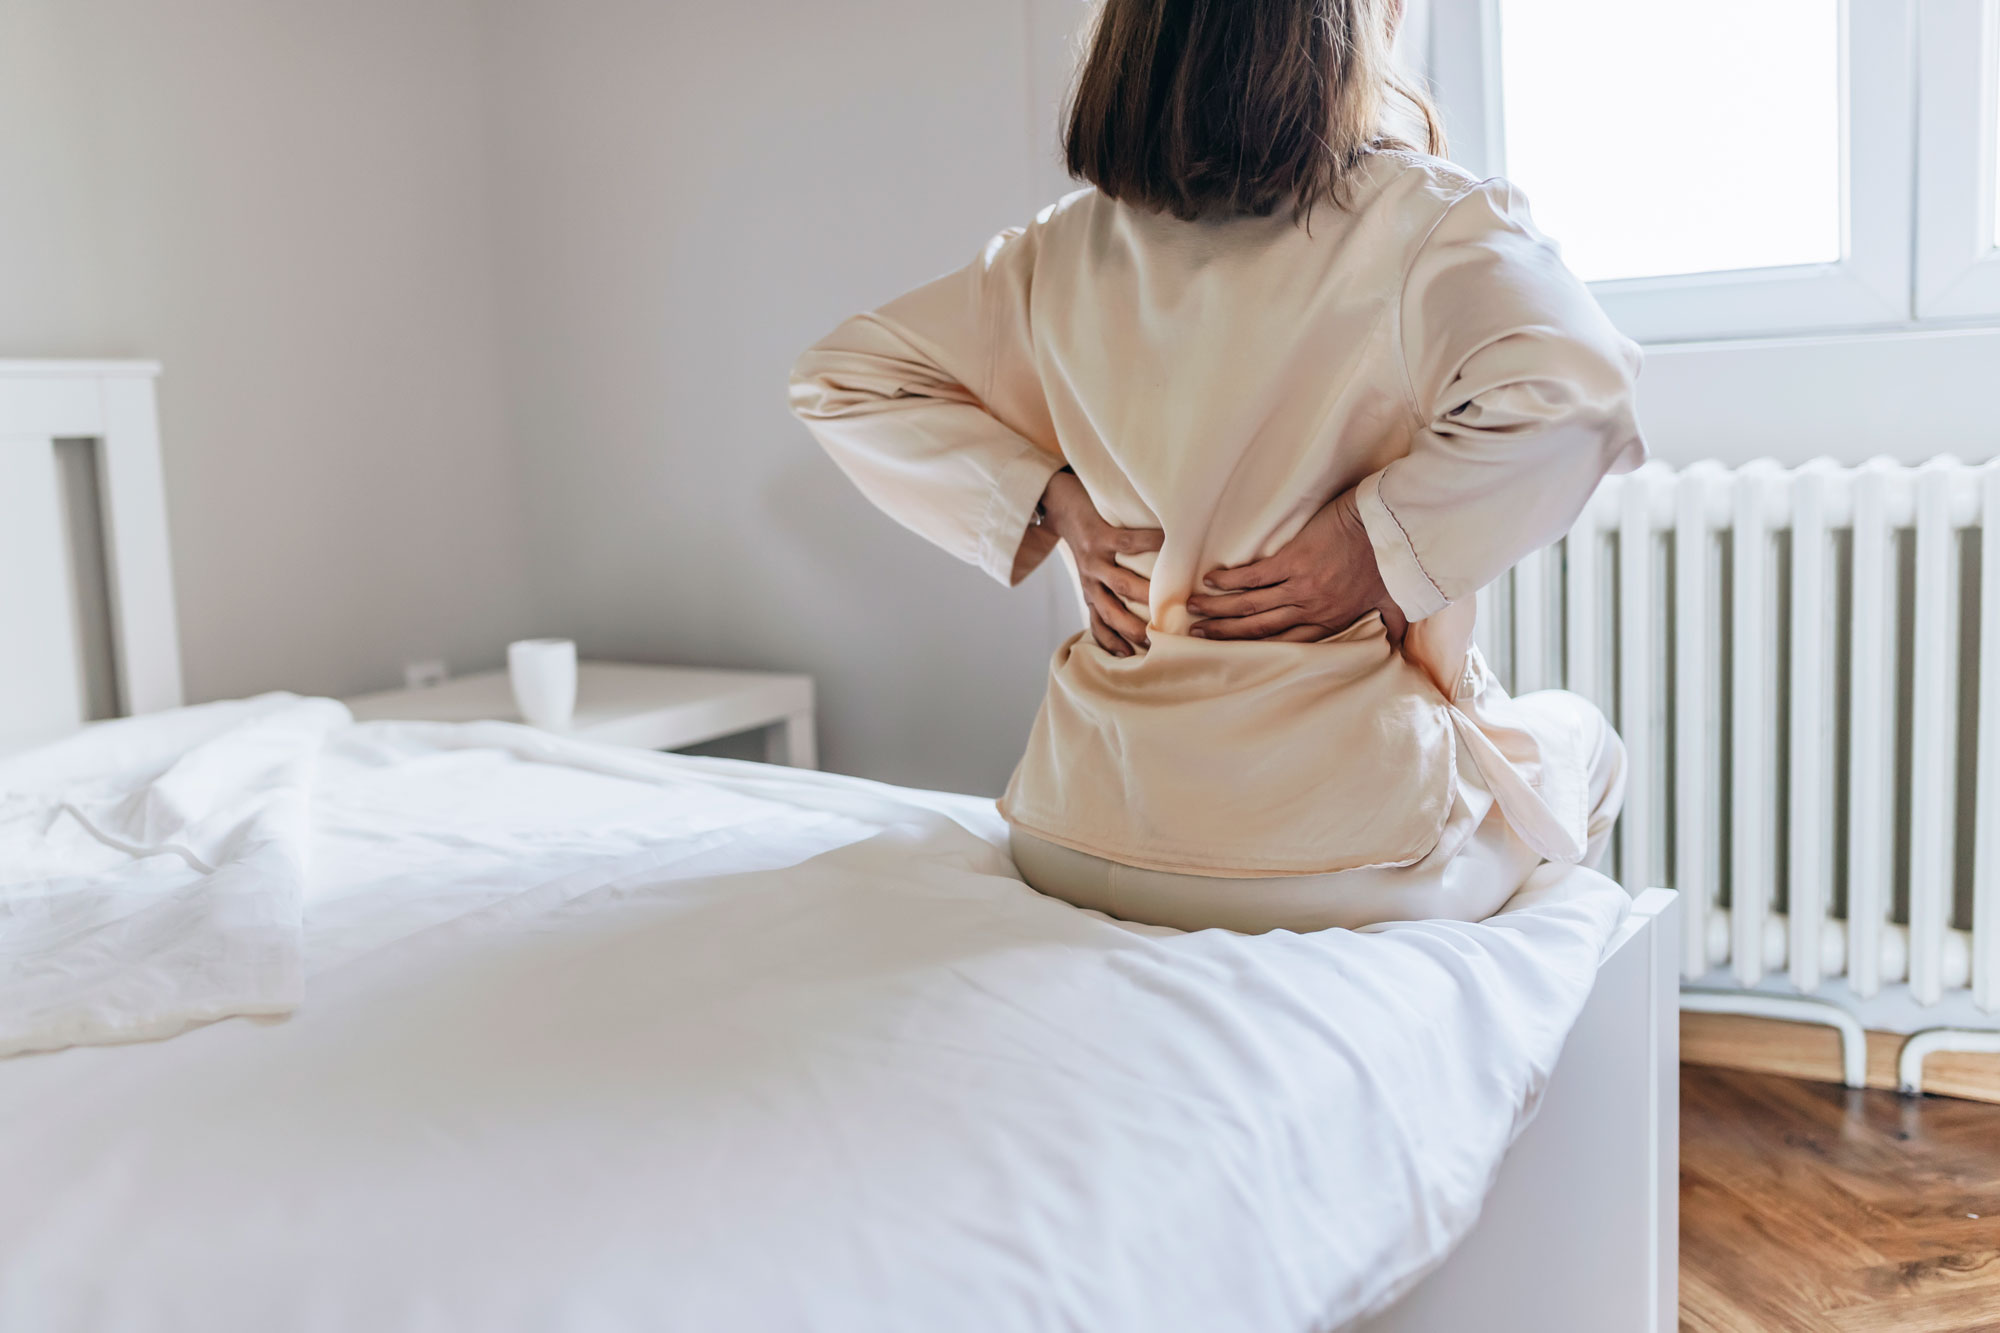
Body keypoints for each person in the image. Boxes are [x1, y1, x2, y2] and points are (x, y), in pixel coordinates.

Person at [789, 0, 1642, 933]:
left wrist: (1051, 504)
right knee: (1584, 747)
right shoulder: (1428, 223)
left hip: (1073, 831)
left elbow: (841, 379)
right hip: (1330, 855)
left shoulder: (1061, 248)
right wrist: (1375, 541)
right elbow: (1584, 391)